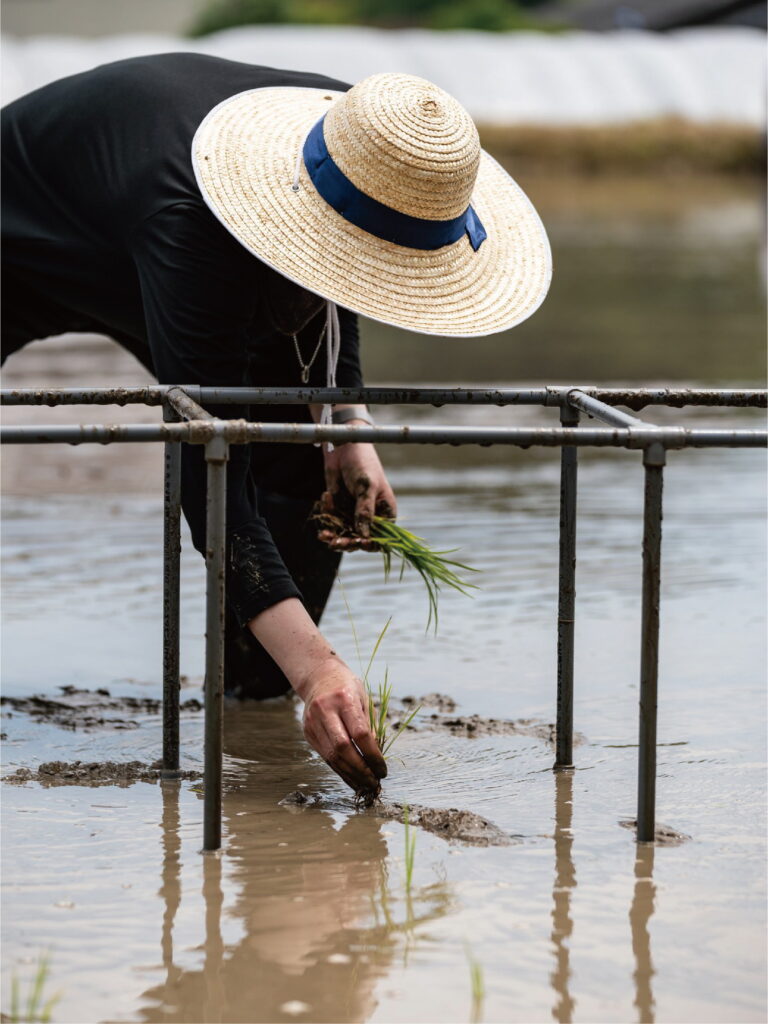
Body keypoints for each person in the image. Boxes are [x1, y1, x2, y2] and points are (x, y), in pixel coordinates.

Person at [1, 54, 551, 796]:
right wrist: (318, 666)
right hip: (26, 231)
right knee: (231, 446)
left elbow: (351, 268)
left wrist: (348, 429)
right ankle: (302, 675)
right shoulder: (193, 219)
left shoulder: (364, 148)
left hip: (157, 224)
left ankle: (253, 704)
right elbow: (208, 468)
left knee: (299, 463)